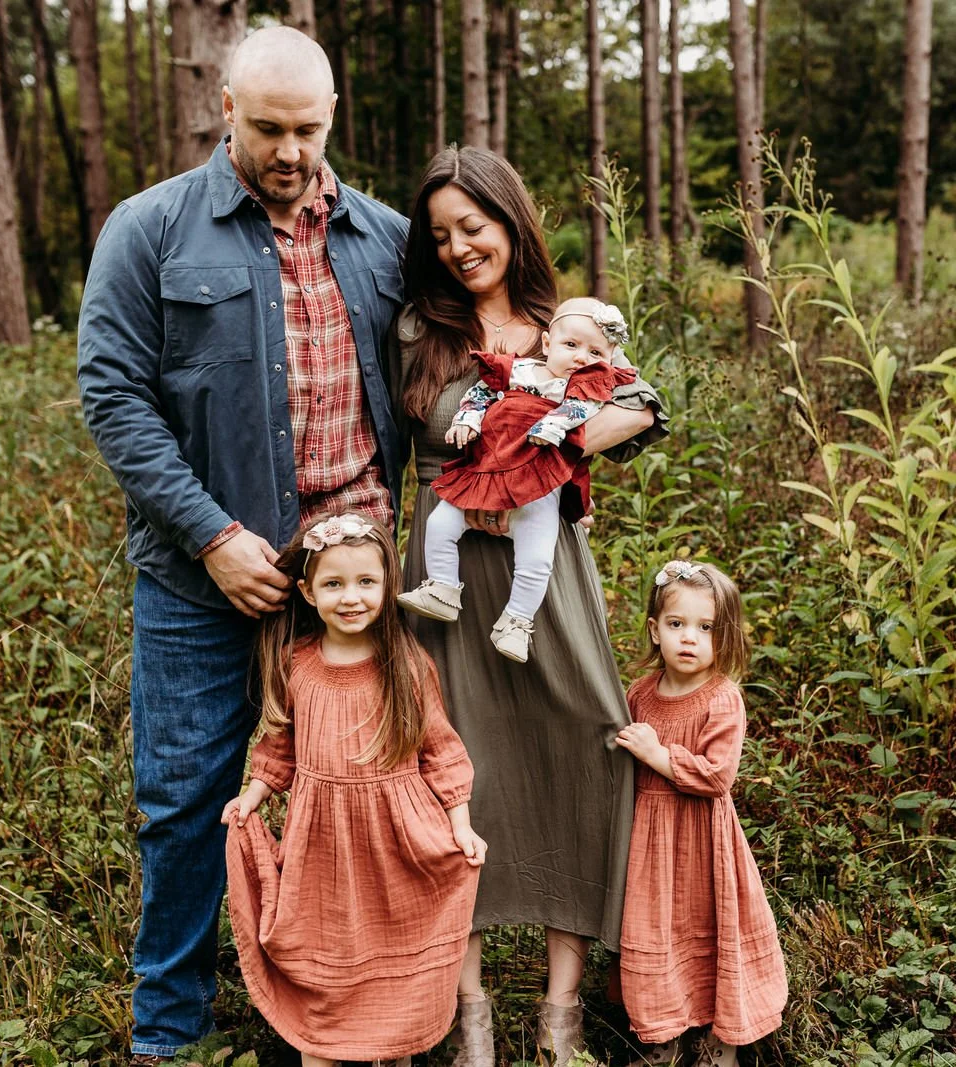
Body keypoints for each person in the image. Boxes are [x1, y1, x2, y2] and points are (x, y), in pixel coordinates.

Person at [75, 27, 408, 1063]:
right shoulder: (151, 229)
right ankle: (167, 1027)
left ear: (333, 114)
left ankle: (310, 1016)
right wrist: (214, 535)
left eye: (308, 128)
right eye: (268, 127)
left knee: (339, 802)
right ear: (225, 108)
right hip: (196, 576)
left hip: (346, 579)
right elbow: (111, 393)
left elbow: (465, 361)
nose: (290, 150)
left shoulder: (387, 238)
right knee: (184, 801)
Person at [396, 144, 669, 1067]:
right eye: (439, 235)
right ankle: (468, 1010)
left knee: (587, 742)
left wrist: (552, 448)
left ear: (511, 223)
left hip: (544, 573)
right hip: (445, 573)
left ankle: (560, 1014)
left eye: (472, 227)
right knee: (449, 767)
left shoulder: (569, 326)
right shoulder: (415, 332)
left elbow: (644, 406)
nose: (458, 248)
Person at [223, 514, 485, 1066]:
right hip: (321, 841)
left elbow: (441, 748)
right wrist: (252, 797)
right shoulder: (296, 665)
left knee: (392, 938)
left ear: (388, 585)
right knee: (327, 946)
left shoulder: (405, 665)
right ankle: (326, 1042)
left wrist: (460, 823)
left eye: (366, 582)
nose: (351, 598)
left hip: (398, 835)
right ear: (307, 591)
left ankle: (391, 1043)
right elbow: (279, 748)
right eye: (334, 584)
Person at [614, 561, 787, 1067]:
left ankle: (721, 1041)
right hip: (650, 840)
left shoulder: (722, 699)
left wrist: (658, 756)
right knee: (655, 930)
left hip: (702, 841)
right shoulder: (640, 695)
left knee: (710, 930)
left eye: (706, 627)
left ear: (725, 634)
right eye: (676, 624)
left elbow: (717, 777)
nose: (689, 639)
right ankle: (663, 1034)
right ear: (654, 629)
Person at [399, 297, 638, 662]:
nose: (580, 358)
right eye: (571, 346)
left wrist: (551, 425)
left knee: (537, 557)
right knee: (441, 523)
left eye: (595, 353)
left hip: (538, 489)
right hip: (487, 471)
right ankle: (443, 588)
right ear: (547, 344)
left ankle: (516, 621)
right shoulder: (523, 371)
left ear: (608, 361)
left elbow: (576, 413)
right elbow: (480, 392)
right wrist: (468, 420)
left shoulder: (584, 390)